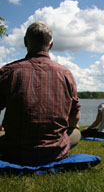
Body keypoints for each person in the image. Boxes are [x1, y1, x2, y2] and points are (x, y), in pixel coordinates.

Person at [0, 22, 81, 165]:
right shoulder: (65, 74)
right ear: (51, 45)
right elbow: (75, 116)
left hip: (14, 150)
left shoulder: (8, 71)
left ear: (25, 42)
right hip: (55, 151)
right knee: (76, 133)